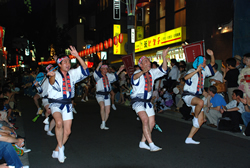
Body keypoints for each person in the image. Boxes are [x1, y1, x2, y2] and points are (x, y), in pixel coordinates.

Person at [47, 46, 89, 163]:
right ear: (59, 64)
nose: (68, 64)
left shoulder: (72, 73)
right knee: (59, 123)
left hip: (68, 104)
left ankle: (57, 149)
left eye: (69, 61)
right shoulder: (55, 73)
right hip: (56, 103)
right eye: (65, 62)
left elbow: (85, 70)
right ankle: (61, 149)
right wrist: (51, 76)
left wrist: (77, 56)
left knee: (68, 131)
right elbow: (51, 82)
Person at [130, 48, 169, 152]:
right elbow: (133, 78)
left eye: (148, 60)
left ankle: (142, 142)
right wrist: (143, 71)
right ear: (141, 65)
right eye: (145, 61)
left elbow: (164, 69)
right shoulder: (137, 72)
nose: (148, 62)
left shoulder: (152, 72)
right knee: (145, 120)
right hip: (138, 101)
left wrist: (164, 57)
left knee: (151, 124)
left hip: (148, 102)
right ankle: (151, 144)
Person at [182, 49, 215, 144]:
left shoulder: (204, 72)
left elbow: (212, 63)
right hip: (188, 96)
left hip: (196, 97)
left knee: (201, 121)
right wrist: (196, 70)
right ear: (199, 63)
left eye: (205, 63)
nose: (205, 64)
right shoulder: (192, 70)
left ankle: (189, 138)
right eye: (204, 63)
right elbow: (185, 78)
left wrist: (212, 55)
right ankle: (195, 117)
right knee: (201, 102)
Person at [94, 62, 124, 130]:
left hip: (107, 94)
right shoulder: (98, 76)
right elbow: (95, 73)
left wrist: (119, 70)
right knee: (102, 106)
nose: (105, 70)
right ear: (101, 69)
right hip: (99, 94)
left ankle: (103, 123)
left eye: (106, 69)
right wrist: (98, 65)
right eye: (103, 68)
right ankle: (103, 123)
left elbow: (114, 77)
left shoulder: (108, 75)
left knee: (108, 111)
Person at [34, 64, 56, 136]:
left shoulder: (57, 76)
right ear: (48, 70)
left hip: (55, 98)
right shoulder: (43, 78)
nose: (54, 70)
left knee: (56, 116)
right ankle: (47, 122)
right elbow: (40, 91)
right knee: (49, 111)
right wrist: (37, 85)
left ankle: (49, 129)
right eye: (52, 69)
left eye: (54, 68)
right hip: (46, 98)